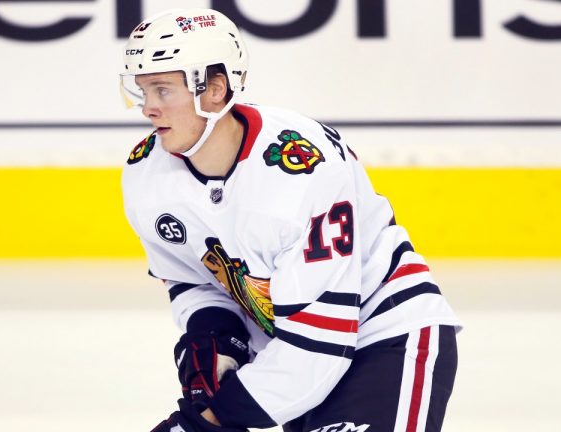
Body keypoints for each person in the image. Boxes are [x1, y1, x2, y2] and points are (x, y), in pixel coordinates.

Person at [119, 8, 461, 432]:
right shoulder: (145, 175)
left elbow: (322, 342)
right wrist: (216, 336)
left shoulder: (301, 170)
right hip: (289, 351)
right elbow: (193, 280)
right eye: (141, 90)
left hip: (381, 337)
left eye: (163, 90)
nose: (148, 109)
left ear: (215, 90)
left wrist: (210, 420)